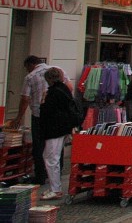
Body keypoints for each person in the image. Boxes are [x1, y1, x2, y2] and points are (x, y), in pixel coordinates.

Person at [38, 67, 79, 201]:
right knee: (52, 157)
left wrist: (43, 101)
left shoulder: (54, 92)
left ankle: (55, 189)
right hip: (62, 128)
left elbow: (46, 111)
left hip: (54, 129)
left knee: (51, 158)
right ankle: (55, 187)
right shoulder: (64, 89)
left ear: (49, 79)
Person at [15, 55, 51, 184]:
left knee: (38, 145)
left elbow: (25, 98)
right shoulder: (55, 70)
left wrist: (19, 117)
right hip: (54, 115)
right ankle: (52, 174)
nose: (27, 71)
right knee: (53, 146)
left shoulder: (30, 77)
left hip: (38, 115)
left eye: (27, 68)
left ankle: (40, 176)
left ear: (31, 65)